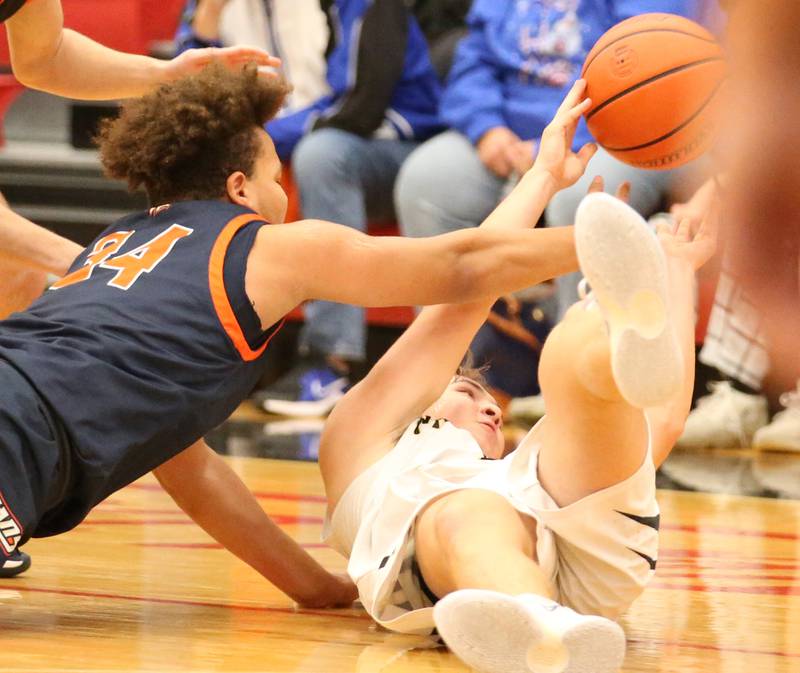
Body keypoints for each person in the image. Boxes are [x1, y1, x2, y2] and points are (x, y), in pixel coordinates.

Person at [0, 65, 590, 584]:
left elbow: (194, 472)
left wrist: (315, 588)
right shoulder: (268, 246)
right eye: (275, 176)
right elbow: (463, 267)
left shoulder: (116, 243)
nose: (286, 194)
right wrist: (608, 237)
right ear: (240, 189)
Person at [319, 82, 716, 672]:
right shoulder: (364, 452)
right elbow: (465, 291)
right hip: (564, 583)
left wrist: (676, 274)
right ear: (418, 409)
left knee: (567, 353)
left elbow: (659, 414)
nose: (494, 411)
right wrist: (547, 186)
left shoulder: (519, 466)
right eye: (470, 391)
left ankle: (610, 323)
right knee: (466, 511)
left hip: (577, 539)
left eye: (480, 394)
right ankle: (544, 629)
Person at [176, 0, 444, 417]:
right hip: (315, 133)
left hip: (387, 142)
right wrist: (208, 18)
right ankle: (206, 351)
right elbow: (180, 91)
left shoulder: (359, 6)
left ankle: (330, 358)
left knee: (320, 157)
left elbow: (356, 105)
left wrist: (252, 140)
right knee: (195, 157)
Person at [395, 0, 700, 324]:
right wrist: (486, 128)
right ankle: (460, 360)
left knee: (583, 205)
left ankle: (575, 358)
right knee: (425, 181)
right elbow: (474, 61)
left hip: (615, 136)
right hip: (509, 130)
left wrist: (557, 143)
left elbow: (650, 78)